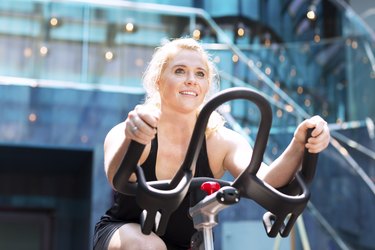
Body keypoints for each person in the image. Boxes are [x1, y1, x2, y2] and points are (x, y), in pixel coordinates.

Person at [93, 37, 330, 250]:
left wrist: (300, 144)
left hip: (191, 244)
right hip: (129, 234)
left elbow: (266, 182)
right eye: (179, 71)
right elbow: (116, 175)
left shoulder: (221, 141)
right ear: (158, 81)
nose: (190, 81)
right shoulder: (135, 129)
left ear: (207, 85)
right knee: (148, 246)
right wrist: (132, 138)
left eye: (200, 74)